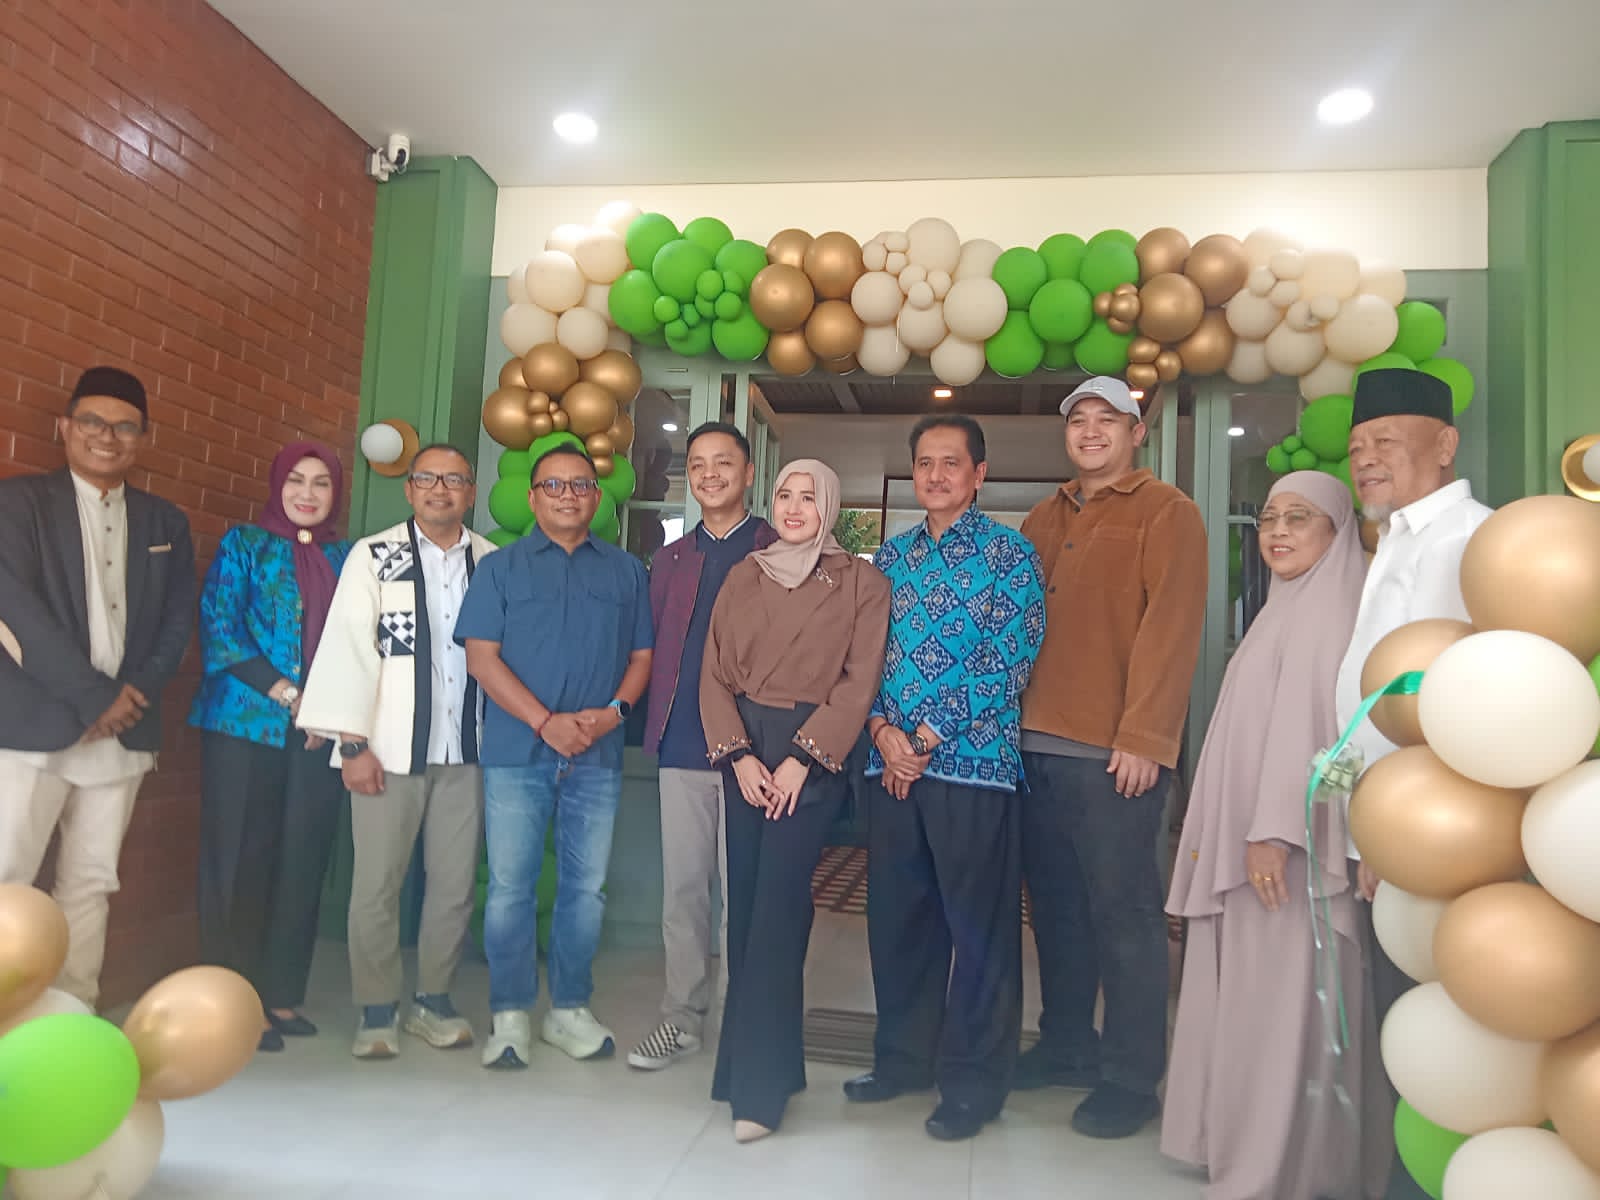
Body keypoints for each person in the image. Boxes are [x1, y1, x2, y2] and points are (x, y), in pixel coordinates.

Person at [1163, 471, 1387, 1199]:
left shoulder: (1332, 610)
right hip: (1261, 843)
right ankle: (1246, 1144)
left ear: (1337, 530)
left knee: (1282, 1004)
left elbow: (1309, 733)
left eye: (1299, 518)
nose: (1279, 532)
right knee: (1257, 1001)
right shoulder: (1287, 604)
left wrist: (1274, 832)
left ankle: (1278, 1162)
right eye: (1268, 519)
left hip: (1282, 854)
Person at [843, 414, 1046, 1143]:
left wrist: (924, 737)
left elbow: (1009, 661)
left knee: (978, 931)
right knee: (899, 922)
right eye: (924, 462)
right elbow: (862, 658)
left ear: (979, 474)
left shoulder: (1011, 555)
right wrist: (882, 732)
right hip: (892, 767)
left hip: (975, 770)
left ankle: (974, 1082)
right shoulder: (890, 559)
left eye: (951, 462)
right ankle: (903, 1059)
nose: (935, 475)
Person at [1015, 375, 1207, 1138]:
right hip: (1032, 745)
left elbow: (1172, 628)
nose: (1091, 431)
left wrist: (1146, 736)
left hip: (1112, 753)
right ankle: (1066, 1044)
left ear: (1135, 433)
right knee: (1055, 910)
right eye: (1079, 420)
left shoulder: (1168, 511)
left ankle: (1131, 1077)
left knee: (1123, 917)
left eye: (1108, 420)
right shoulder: (1044, 515)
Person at [1334, 368, 1493, 1200]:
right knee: (1401, 1026)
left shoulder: (1469, 540)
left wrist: (1395, 833)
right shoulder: (1396, 536)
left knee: (1435, 1032)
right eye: (1357, 446)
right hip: (1387, 827)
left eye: (1385, 442)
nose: (1365, 459)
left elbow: (1449, 704)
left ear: (1445, 445)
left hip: (1428, 836)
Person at [700, 458, 889, 1142]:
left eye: (809, 497)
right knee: (746, 910)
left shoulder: (862, 582)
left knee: (779, 913)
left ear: (829, 507)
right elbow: (713, 674)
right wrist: (739, 756)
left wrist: (802, 762)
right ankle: (754, 1068)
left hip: (809, 757)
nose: (794, 507)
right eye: (784, 494)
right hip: (745, 754)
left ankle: (758, 1093)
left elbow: (858, 682)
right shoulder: (743, 574)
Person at [0, 366, 196, 1007]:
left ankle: (71, 1012)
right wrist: (93, 697)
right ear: (64, 427)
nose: (106, 436)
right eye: (91, 421)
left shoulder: (165, 522)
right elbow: (15, 610)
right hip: (32, 724)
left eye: (124, 426)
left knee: (90, 882)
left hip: (123, 731)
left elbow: (177, 622)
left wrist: (130, 696)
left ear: (144, 437)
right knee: (8, 881)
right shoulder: (18, 504)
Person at [295, 444, 497, 1059]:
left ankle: (433, 1001)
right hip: (386, 750)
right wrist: (353, 744)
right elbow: (349, 648)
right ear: (409, 490)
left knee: (455, 886)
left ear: (470, 491)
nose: (440, 488)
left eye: (454, 479)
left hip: (467, 751)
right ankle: (377, 1008)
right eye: (427, 478)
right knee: (377, 885)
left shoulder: (492, 562)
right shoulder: (374, 556)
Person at [458, 444, 652, 1070]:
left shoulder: (626, 572)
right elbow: (481, 658)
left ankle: (569, 1008)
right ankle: (510, 1015)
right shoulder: (500, 569)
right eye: (554, 485)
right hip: (517, 752)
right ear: (533, 496)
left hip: (597, 754)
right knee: (510, 888)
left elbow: (642, 658)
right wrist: (545, 722)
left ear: (597, 497)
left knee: (585, 890)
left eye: (580, 486)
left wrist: (612, 713)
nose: (568, 496)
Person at [190, 441, 351, 1051]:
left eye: (321, 483)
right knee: (239, 859)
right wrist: (290, 695)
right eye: (296, 481)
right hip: (245, 725)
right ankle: (231, 999)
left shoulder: (346, 558)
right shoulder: (245, 545)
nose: (307, 494)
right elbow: (220, 628)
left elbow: (358, 642)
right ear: (277, 486)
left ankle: (280, 992)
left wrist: (328, 708)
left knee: (302, 859)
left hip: (317, 733)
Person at [631, 422, 777, 1071]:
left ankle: (742, 1021)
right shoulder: (670, 559)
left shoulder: (778, 549)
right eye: (697, 465)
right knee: (684, 892)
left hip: (756, 753)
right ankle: (680, 1018)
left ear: (749, 473)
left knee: (744, 894)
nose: (710, 474)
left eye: (723, 462)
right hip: (683, 746)